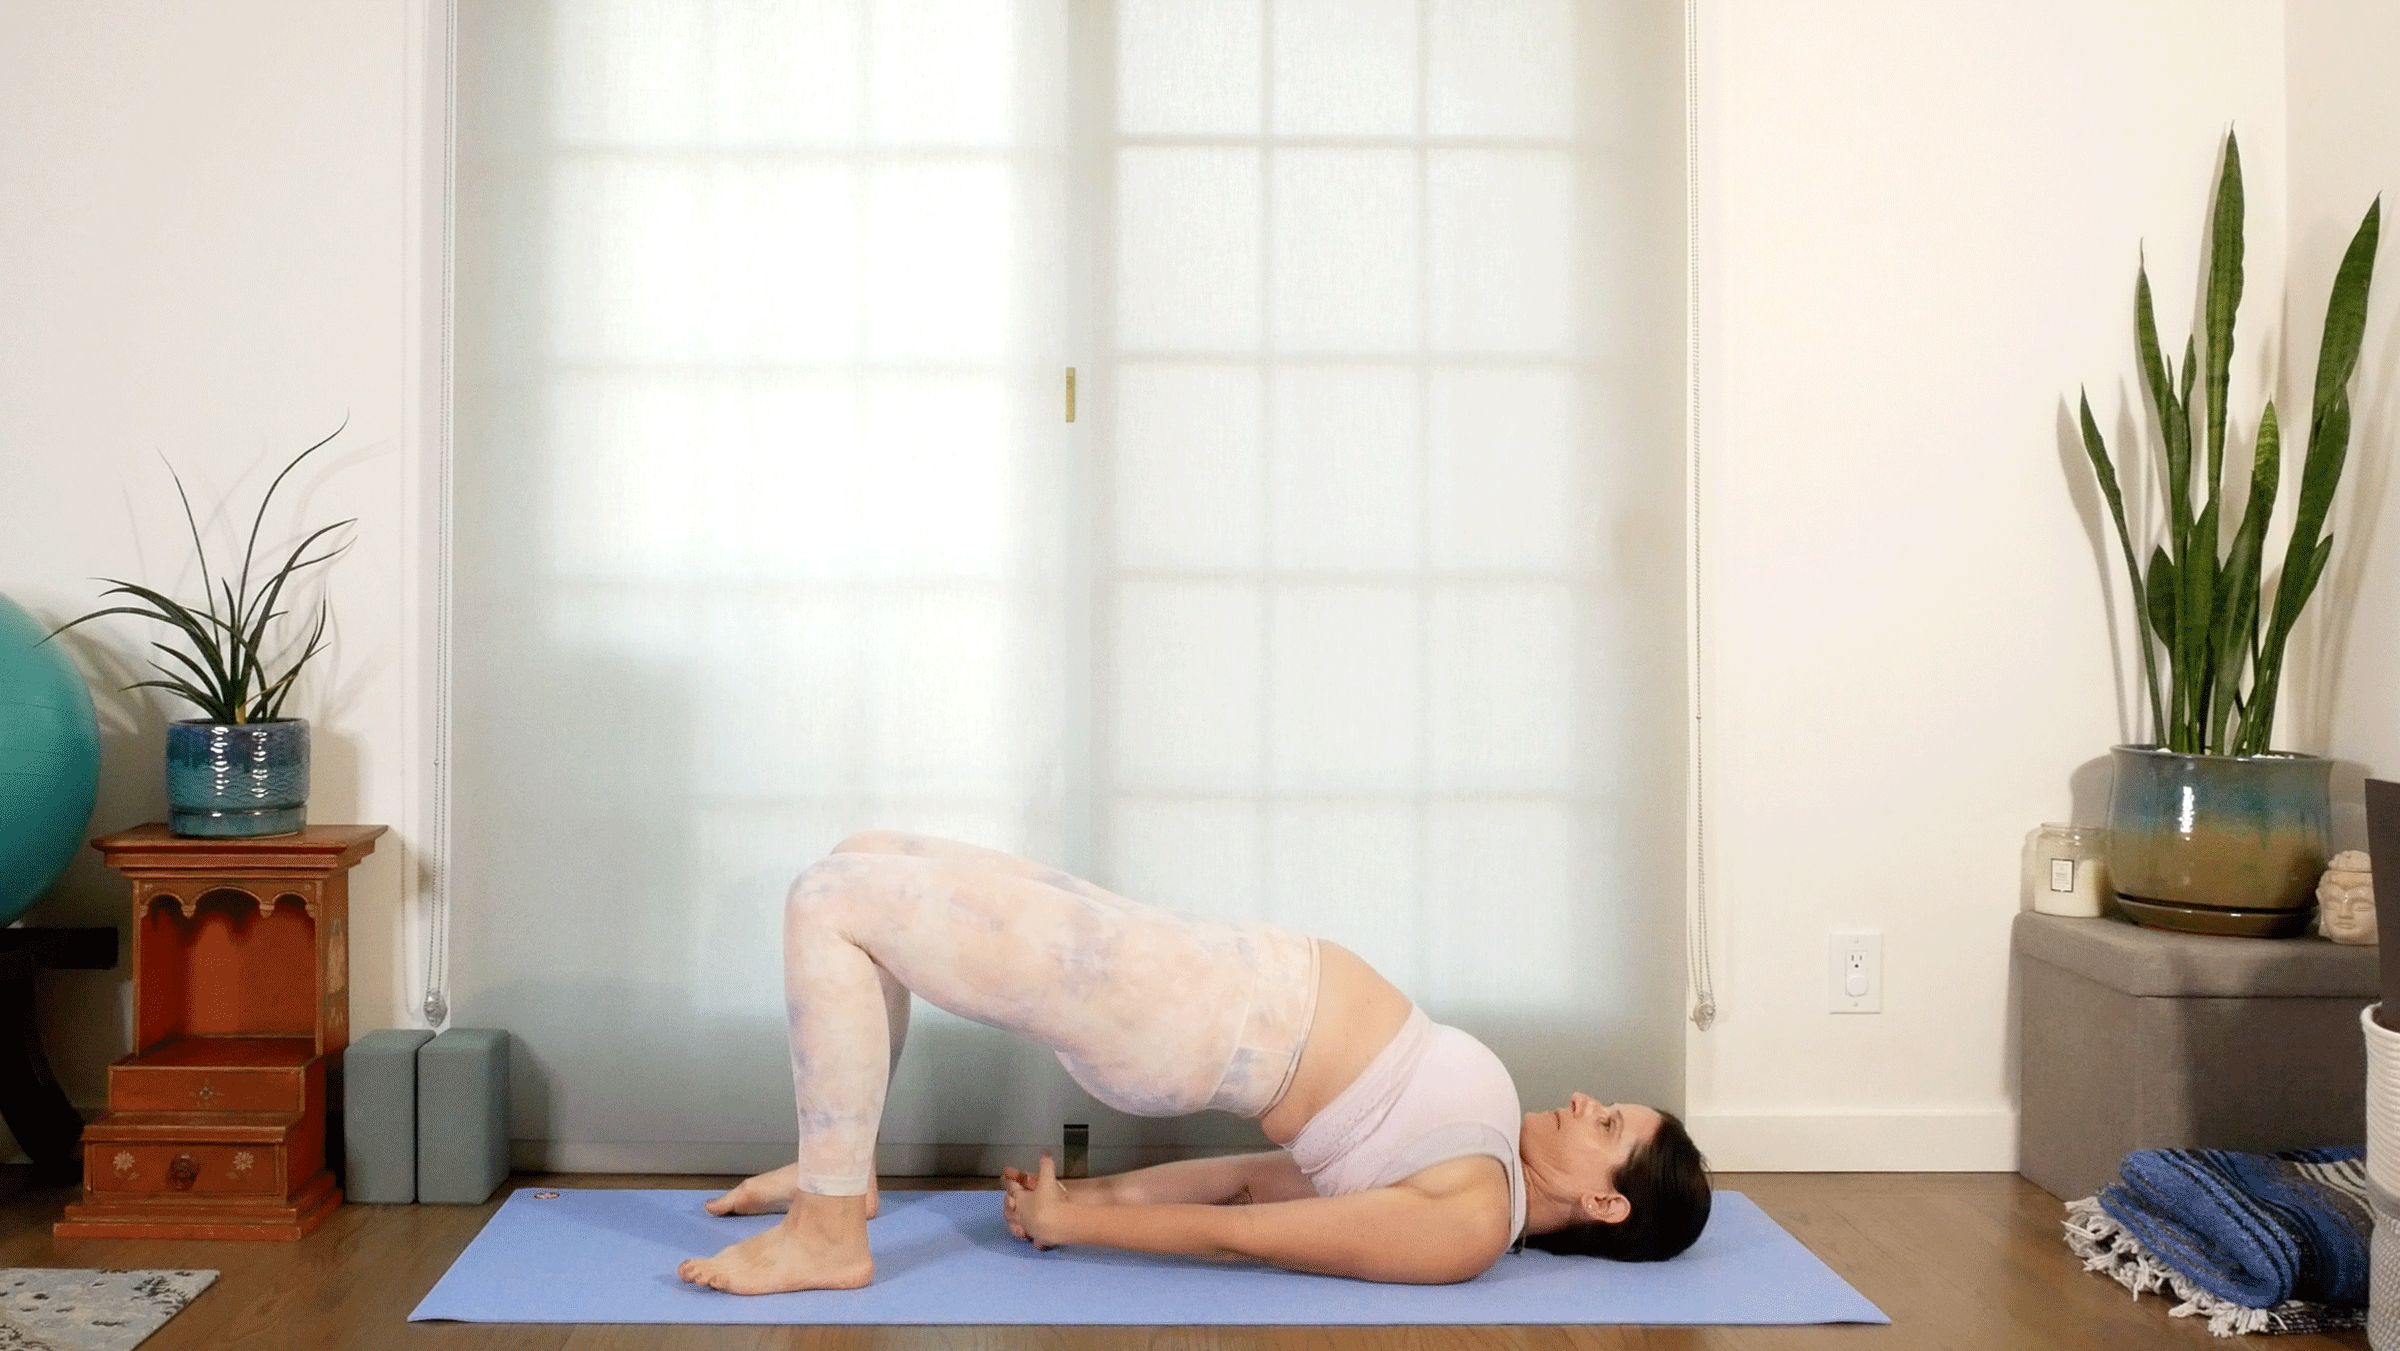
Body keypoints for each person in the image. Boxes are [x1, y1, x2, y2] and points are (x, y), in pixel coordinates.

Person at [677, 832, 1711, 1294]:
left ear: (1609, 1205)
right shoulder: (1474, 1149)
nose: (1587, 1101)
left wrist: (1078, 1226)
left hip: (1183, 1016)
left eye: (1610, 1126)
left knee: (830, 898)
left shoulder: (1473, 1220)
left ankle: (823, 1234)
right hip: (1192, 963)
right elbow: (1247, 1175)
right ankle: (841, 1177)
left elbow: (1254, 1231)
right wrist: (1091, 1194)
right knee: (870, 854)